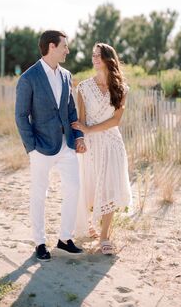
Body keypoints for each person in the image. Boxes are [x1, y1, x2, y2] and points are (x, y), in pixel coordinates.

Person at [15, 30, 86, 261]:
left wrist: (78, 137)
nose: (68, 50)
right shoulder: (28, 78)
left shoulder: (66, 75)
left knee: (74, 188)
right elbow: (21, 115)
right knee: (39, 194)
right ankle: (40, 242)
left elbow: (71, 110)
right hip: (41, 148)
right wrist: (31, 147)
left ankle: (65, 238)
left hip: (66, 145)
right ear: (52, 47)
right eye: (64, 46)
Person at [71, 42, 132, 255]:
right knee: (89, 186)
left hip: (113, 144)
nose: (94, 59)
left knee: (110, 186)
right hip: (91, 144)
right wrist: (81, 137)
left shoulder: (121, 88)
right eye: (93, 55)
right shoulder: (84, 87)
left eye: (98, 55)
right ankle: (88, 224)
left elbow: (116, 120)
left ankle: (105, 236)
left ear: (108, 58)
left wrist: (89, 128)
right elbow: (81, 120)